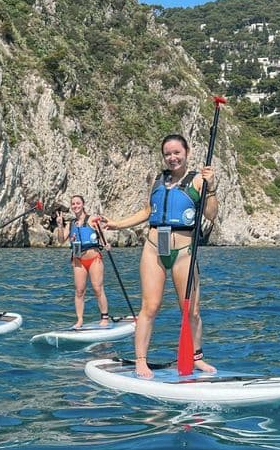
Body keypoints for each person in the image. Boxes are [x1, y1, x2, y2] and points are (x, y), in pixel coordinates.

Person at [102, 134, 219, 378]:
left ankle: (196, 358)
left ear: (187, 152)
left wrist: (211, 188)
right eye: (168, 154)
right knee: (150, 306)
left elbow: (211, 214)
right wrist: (117, 224)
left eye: (177, 152)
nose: (172, 157)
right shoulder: (158, 180)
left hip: (184, 251)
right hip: (154, 246)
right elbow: (148, 210)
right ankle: (140, 360)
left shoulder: (199, 180)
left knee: (191, 310)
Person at [61, 195, 110, 328]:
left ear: (83, 204)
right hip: (78, 260)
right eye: (73, 204)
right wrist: (60, 225)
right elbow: (61, 239)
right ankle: (79, 320)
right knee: (79, 291)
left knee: (97, 288)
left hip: (94, 259)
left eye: (78, 203)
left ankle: (105, 317)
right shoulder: (70, 224)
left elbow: (100, 232)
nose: (75, 206)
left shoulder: (91, 219)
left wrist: (106, 243)